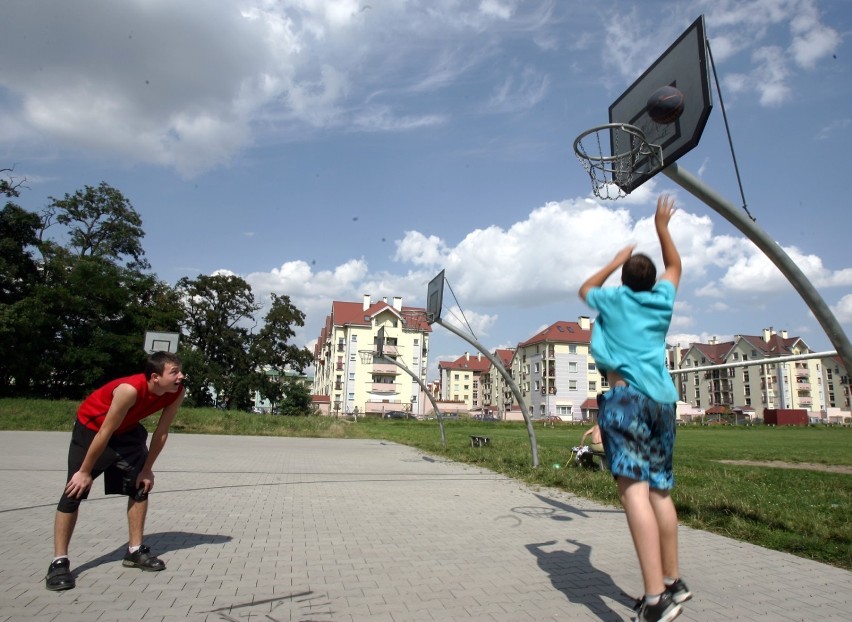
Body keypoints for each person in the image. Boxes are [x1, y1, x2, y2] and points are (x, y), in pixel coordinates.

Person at [578, 194, 691, 622]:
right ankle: (672, 581)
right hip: (663, 401)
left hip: (627, 400)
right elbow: (675, 267)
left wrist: (615, 258)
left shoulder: (614, 301)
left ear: (624, 281)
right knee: (660, 490)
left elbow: (586, 289)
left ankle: (654, 599)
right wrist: (663, 228)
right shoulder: (662, 300)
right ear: (652, 281)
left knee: (634, 495)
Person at [45, 351, 185, 591]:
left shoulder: (176, 391)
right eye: (174, 372)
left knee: (141, 486)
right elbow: (104, 432)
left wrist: (147, 470)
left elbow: (161, 432)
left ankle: (134, 551)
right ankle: (59, 562)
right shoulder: (129, 390)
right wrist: (85, 471)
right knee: (74, 491)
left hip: (126, 431)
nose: (181, 376)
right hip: (92, 430)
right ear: (155, 377)